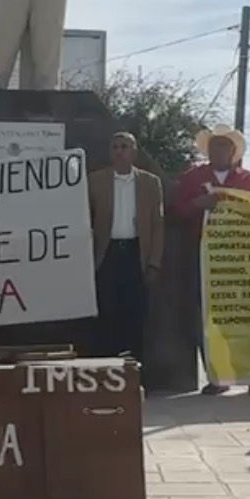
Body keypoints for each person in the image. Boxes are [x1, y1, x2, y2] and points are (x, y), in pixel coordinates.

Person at [172, 124, 250, 396]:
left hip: (239, 261)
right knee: (207, 319)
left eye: (224, 145)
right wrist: (197, 205)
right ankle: (217, 377)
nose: (219, 150)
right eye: (215, 145)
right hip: (203, 259)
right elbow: (175, 211)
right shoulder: (192, 178)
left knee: (244, 317)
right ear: (208, 149)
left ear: (234, 151)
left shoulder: (249, 181)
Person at [87, 132, 165, 359]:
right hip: (106, 253)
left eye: (124, 146)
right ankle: (105, 368)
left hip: (136, 253)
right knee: (106, 313)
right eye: (115, 147)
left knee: (136, 314)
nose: (119, 151)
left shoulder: (150, 182)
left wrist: (154, 263)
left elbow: (157, 225)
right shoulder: (95, 180)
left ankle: (136, 371)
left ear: (134, 152)